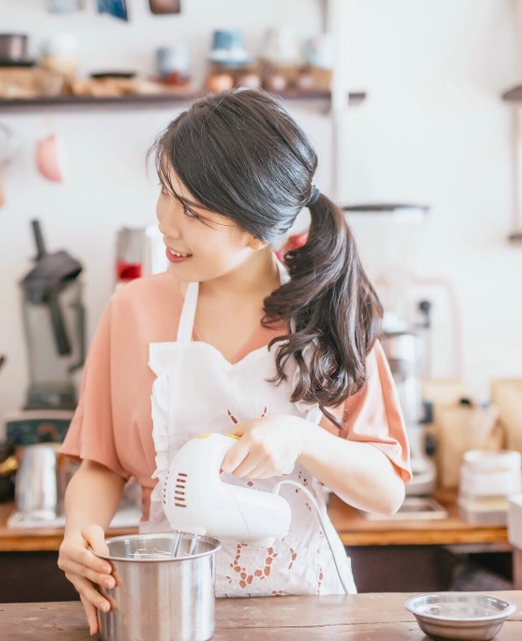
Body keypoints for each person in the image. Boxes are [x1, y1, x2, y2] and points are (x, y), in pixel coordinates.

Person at [58, 89, 411, 634]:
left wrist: (302, 439)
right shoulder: (132, 310)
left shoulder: (329, 315)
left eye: (193, 211)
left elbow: (386, 490)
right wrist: (81, 530)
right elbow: (102, 464)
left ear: (254, 229)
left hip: (309, 613)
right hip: (167, 607)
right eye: (165, 192)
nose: (166, 223)